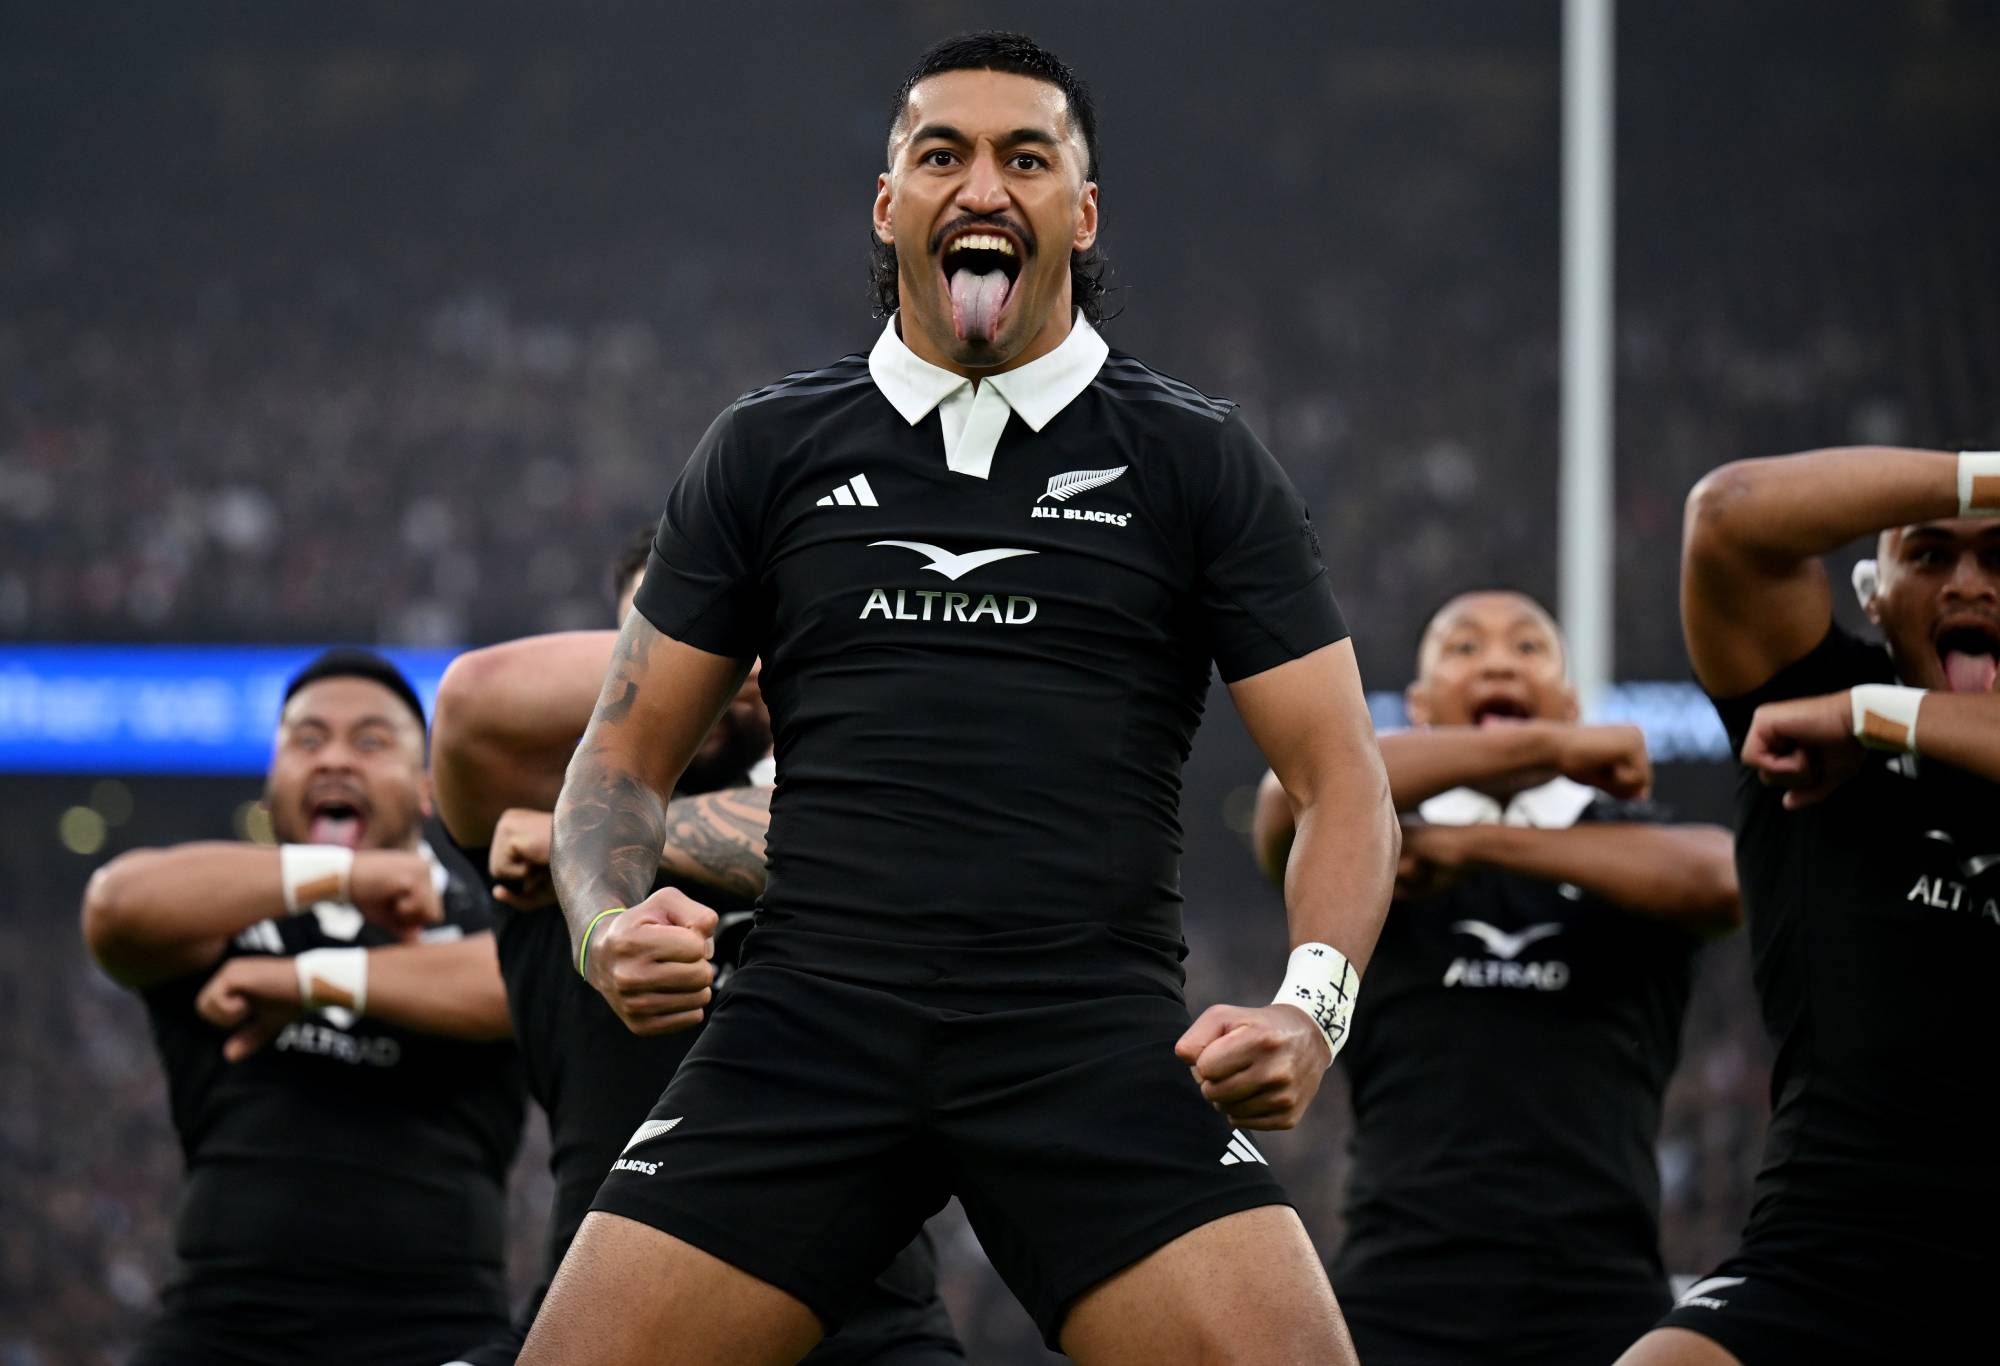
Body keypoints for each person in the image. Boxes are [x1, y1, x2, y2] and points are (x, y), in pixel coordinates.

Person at [528, 31, 1398, 1366]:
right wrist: (600, 921)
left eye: (1025, 157)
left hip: (1081, 1031)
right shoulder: (767, 449)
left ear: (1081, 211)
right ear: (889, 206)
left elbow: (1344, 779)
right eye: (942, 154)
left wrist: (1309, 1008)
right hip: (808, 1024)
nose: (982, 184)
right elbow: (617, 762)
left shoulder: (1195, 459)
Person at [432, 534, 962, 1365]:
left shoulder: (560, 836)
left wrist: (587, 838)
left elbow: (893, 846)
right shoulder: (534, 803)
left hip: (869, 1327)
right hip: (602, 1318)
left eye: (733, 628)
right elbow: (476, 697)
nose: (701, 663)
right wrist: (701, 649)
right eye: (667, 629)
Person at [1253, 589, 1740, 1366]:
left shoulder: (1630, 843)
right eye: (1464, 648)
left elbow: (1724, 878)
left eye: (1527, 646)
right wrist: (1547, 749)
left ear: (1570, 701)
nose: (1498, 662)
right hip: (1396, 1295)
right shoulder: (1369, 855)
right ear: (1417, 705)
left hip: (1602, 1300)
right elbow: (1287, 800)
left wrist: (1477, 845)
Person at [1617, 446, 2000, 1366]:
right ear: (1873, 594)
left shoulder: (1847, 717)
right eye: (1931, 556)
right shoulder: (1809, 700)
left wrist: (1874, 716)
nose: (1970, 586)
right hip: (1831, 1260)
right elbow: (1729, 513)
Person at [80, 649, 525, 1366]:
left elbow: (514, 985)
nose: (335, 761)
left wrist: (305, 981)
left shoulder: (489, 909)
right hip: (219, 1327)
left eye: (372, 741)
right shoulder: (221, 903)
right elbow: (115, 907)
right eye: (307, 740)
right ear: (270, 786)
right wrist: (345, 876)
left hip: (442, 1332)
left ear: (426, 789)